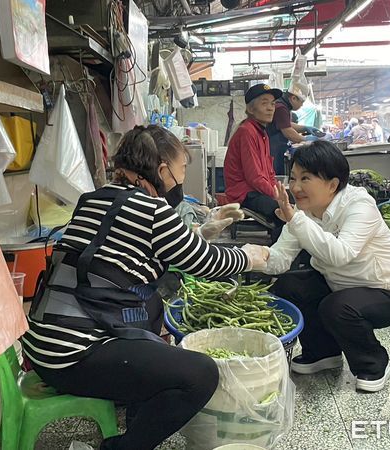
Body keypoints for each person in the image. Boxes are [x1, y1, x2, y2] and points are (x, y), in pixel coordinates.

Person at [23, 125, 268, 450]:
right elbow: (206, 264)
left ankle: (136, 405)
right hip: (74, 356)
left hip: (40, 346)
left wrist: (199, 232)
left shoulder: (93, 199)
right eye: (182, 169)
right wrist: (248, 257)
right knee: (202, 375)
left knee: (152, 310)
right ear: (163, 169)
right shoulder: (153, 210)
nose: (181, 179)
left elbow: (135, 251)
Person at [257, 141, 390, 392]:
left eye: (305, 178)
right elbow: (280, 259)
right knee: (290, 285)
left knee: (337, 307)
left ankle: (373, 364)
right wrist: (244, 257)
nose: (295, 187)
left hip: (386, 293)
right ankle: (322, 353)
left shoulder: (359, 205)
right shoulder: (304, 213)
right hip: (339, 288)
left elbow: (341, 254)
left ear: (332, 184)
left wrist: (295, 219)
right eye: (293, 178)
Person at [224, 83, 288, 241]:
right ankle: (277, 257)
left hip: (256, 190)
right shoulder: (247, 131)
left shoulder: (262, 132)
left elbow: (269, 173)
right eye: (264, 103)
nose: (270, 108)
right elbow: (255, 177)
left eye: (273, 104)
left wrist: (280, 192)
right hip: (244, 193)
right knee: (282, 213)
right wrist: (276, 196)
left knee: (294, 203)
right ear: (251, 109)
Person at [267, 81, 320, 175]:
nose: (302, 105)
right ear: (293, 98)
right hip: (274, 148)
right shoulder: (281, 108)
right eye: (301, 102)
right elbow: (288, 131)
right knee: (278, 176)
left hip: (277, 146)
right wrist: (306, 139)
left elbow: (286, 124)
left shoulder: (283, 105)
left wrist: (305, 128)